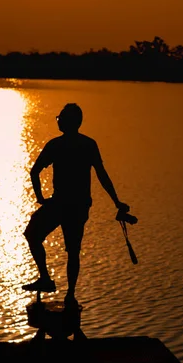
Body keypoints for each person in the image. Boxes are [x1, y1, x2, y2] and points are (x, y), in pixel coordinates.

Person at [23, 103, 129, 308]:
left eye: (60, 118)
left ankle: (47, 279)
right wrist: (116, 201)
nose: (58, 120)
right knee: (72, 250)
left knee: (33, 234)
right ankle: (69, 294)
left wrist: (40, 197)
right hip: (79, 206)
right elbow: (102, 174)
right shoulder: (88, 144)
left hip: (62, 203)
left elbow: (34, 171)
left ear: (69, 122)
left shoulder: (56, 145)